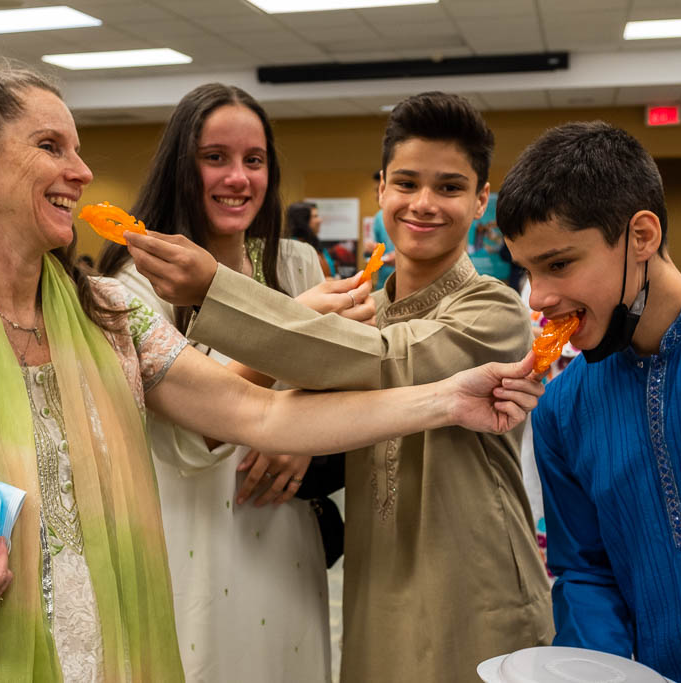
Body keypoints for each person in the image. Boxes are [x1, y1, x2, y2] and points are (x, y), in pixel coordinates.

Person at [0, 61, 546, 681]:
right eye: (53, 147)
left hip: (121, 652)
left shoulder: (110, 313)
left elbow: (264, 417)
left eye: (79, 148)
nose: (82, 172)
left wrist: (448, 396)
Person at [123, 91, 554, 683]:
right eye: (405, 183)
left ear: (482, 200)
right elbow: (307, 395)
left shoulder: (493, 311)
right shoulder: (361, 309)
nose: (424, 204)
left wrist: (214, 290)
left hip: (472, 581)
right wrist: (303, 429)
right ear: (380, 190)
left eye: (450, 188)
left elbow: (377, 359)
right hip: (373, 580)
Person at [498, 120, 681, 683]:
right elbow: (585, 572)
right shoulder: (562, 409)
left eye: (559, 264)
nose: (538, 297)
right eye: (528, 270)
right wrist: (598, 671)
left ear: (642, 236)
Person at [98, 84, 354, 682]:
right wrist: (297, 327)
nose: (237, 177)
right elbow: (186, 434)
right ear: (181, 166)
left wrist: (303, 435)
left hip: (287, 532)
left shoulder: (296, 266)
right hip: (193, 534)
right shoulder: (135, 284)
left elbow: (341, 388)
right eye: (215, 157)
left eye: (254, 160)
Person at [287, 200, 335, 278]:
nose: (320, 220)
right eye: (315, 216)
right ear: (302, 221)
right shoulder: (291, 249)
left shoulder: (316, 244)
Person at [366, 171, 396, 291]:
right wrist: (372, 250)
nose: (378, 194)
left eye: (382, 189)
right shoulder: (378, 217)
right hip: (383, 284)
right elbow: (373, 253)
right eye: (377, 190)